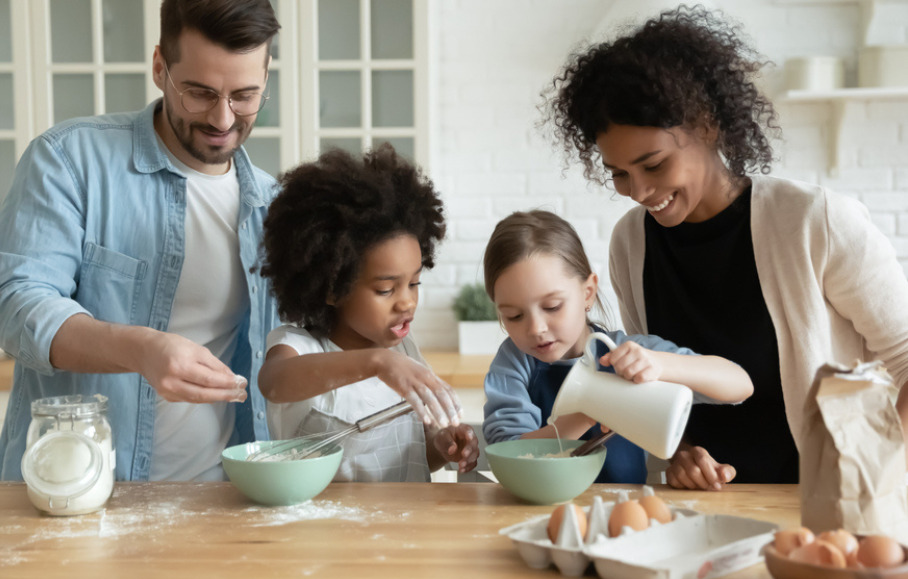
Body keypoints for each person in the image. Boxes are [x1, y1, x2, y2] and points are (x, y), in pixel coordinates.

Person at [544, 5, 908, 489]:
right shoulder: (630, 243)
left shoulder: (812, 221)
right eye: (619, 174)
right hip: (712, 505)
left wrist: (875, 470)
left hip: (829, 500)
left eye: (653, 165)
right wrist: (686, 452)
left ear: (707, 125)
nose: (638, 190)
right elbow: (665, 379)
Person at [0, 0, 282, 481]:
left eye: (244, 95)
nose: (222, 119)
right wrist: (140, 350)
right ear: (159, 67)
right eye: (199, 93)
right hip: (78, 499)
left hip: (223, 501)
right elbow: (17, 305)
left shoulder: (272, 207)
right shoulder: (70, 160)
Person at [258, 144, 478, 482]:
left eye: (414, 284)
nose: (406, 302)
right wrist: (376, 362)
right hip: (324, 534)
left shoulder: (405, 352)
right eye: (386, 290)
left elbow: (411, 457)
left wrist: (443, 447)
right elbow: (274, 383)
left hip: (401, 530)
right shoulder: (299, 347)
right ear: (332, 288)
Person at [481, 210, 752, 483]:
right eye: (514, 316)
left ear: (587, 293)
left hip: (622, 511)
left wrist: (662, 364)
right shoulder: (514, 363)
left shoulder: (626, 353)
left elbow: (740, 385)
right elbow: (510, 453)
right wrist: (588, 411)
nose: (535, 328)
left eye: (552, 307)